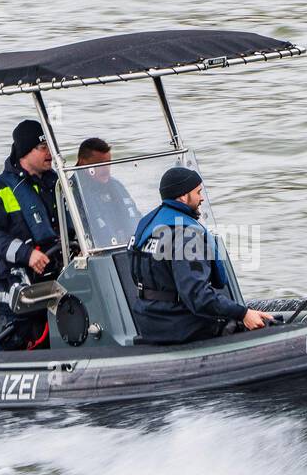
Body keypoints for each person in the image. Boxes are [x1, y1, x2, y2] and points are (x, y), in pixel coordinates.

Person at [129, 166, 272, 344]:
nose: (202, 197)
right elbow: (198, 296)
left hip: (150, 322)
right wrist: (242, 313)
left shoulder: (148, 226)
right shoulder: (187, 235)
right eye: (198, 192)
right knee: (266, 326)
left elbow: (136, 277)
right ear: (182, 196)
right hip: (182, 327)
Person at [0, 119, 60, 351]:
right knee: (16, 343)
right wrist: (27, 254)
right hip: (15, 293)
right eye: (43, 148)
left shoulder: (58, 185)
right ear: (24, 152)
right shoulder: (0, 191)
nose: (50, 153)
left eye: (50, 147)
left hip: (56, 286)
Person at [72, 137, 142, 247]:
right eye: (100, 164)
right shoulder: (72, 191)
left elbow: (134, 216)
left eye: (108, 163)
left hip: (124, 248)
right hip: (95, 253)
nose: (106, 168)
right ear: (83, 163)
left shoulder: (116, 186)